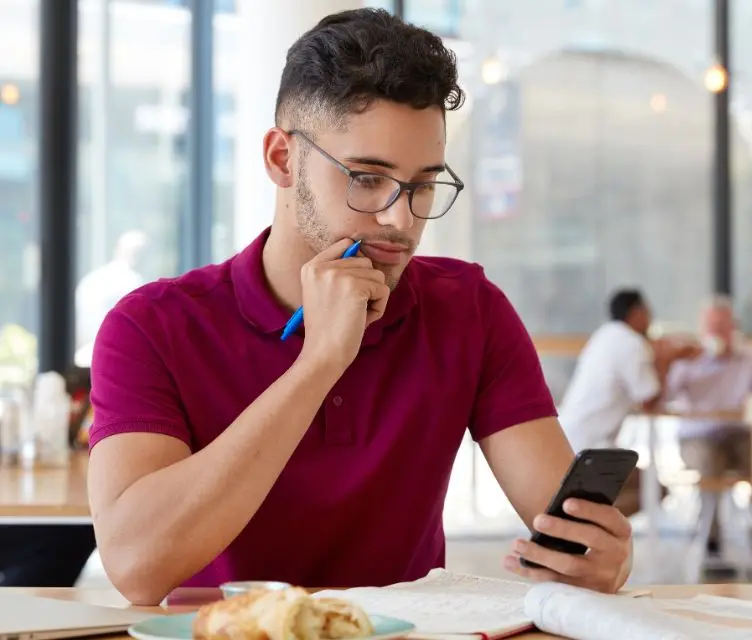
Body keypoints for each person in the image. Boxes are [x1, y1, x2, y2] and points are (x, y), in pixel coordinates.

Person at [87, 9, 632, 606]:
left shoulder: (470, 310)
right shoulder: (150, 326)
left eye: (423, 185)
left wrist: (597, 557)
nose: (400, 220)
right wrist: (319, 361)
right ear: (282, 160)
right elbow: (137, 567)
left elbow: (563, 528)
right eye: (367, 179)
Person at [558, 289, 698, 517]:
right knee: (655, 490)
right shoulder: (632, 344)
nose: (651, 319)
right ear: (637, 313)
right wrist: (667, 360)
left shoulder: (605, 336)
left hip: (570, 439)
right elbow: (650, 400)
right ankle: (586, 523)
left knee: (645, 487)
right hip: (592, 450)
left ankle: (587, 522)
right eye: (648, 313)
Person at [666, 296, 752, 552]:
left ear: (734, 328)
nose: (717, 332)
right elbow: (665, 397)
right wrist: (675, 360)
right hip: (697, 437)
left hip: (738, 434)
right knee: (709, 460)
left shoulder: (751, 357)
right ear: (702, 329)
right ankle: (710, 536)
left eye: (723, 326)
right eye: (711, 326)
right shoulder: (687, 359)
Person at [74, 230, 148, 366]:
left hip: (90, 352)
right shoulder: (131, 281)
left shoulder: (94, 278)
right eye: (139, 251)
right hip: (112, 354)